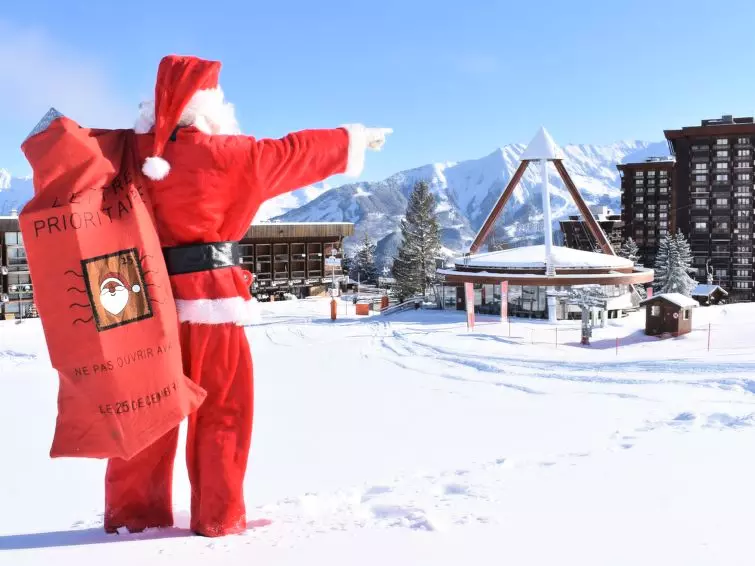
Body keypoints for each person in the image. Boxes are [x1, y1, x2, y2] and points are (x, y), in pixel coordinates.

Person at [103, 54, 391, 538]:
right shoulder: (237, 156)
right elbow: (298, 151)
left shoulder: (126, 154)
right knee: (222, 411)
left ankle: (133, 517)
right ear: (212, 106)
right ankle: (217, 516)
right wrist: (354, 139)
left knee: (145, 412)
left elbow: (69, 159)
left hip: (143, 303)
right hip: (213, 305)